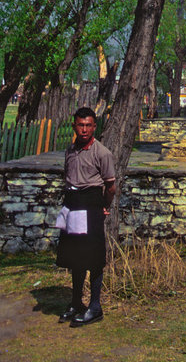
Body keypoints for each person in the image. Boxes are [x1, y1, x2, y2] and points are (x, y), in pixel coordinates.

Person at [56, 107, 116, 327]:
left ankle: (95, 306)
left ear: (94, 127)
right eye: (80, 125)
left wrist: (103, 207)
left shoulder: (102, 153)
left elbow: (111, 187)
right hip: (71, 204)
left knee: (93, 257)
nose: (84, 129)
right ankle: (76, 303)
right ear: (74, 126)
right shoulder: (71, 150)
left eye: (88, 125)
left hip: (90, 204)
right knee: (73, 256)